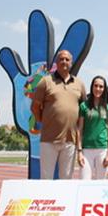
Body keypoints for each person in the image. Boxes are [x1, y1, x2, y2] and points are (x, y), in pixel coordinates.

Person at [31, 49, 86, 179]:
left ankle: (64, 201)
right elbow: (35, 107)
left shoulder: (79, 84)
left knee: (66, 180)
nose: (64, 62)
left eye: (67, 59)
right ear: (56, 62)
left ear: (71, 63)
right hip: (48, 140)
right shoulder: (45, 82)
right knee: (46, 180)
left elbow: (84, 109)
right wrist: (44, 121)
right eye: (61, 59)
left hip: (70, 141)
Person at [77, 76, 108, 180]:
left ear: (104, 89)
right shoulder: (83, 106)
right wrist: (79, 152)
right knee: (85, 182)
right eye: (96, 86)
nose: (98, 89)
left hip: (102, 149)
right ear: (92, 87)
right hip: (86, 150)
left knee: (101, 184)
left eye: (101, 87)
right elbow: (79, 130)